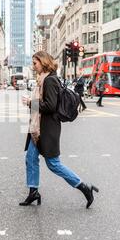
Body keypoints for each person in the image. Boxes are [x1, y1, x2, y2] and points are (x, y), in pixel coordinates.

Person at [20, 51, 99, 209]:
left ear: (43, 62)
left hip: (47, 128)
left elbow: (50, 106)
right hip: (38, 127)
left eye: (35, 63)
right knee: (30, 158)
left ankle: (85, 188)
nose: (33, 66)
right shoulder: (43, 79)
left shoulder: (50, 80)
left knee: (53, 164)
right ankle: (33, 191)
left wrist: (31, 103)